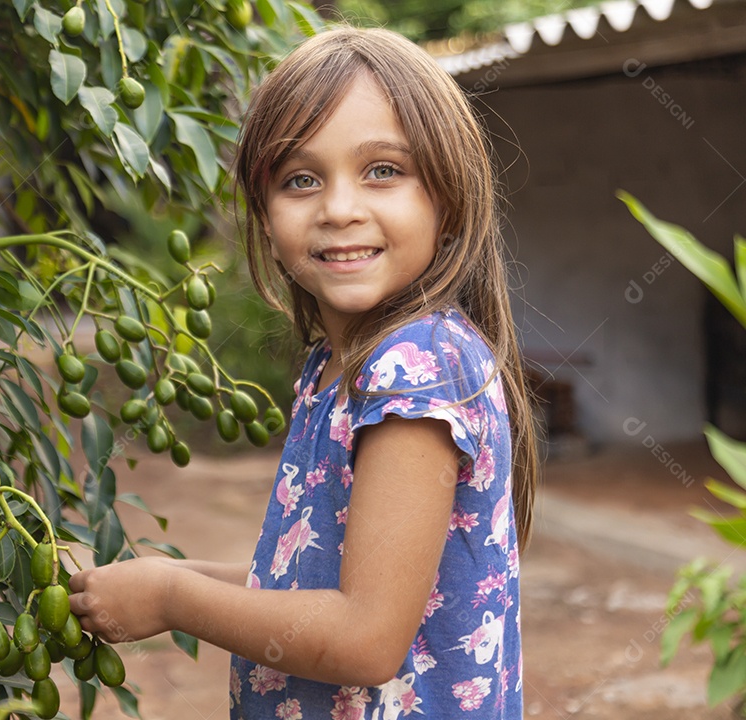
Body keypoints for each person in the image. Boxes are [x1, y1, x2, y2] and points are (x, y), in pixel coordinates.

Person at [69, 25, 539, 720]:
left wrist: (171, 598)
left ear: (449, 197)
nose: (339, 209)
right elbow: (301, 582)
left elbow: (366, 640)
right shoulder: (338, 367)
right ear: (264, 214)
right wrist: (162, 578)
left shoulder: (414, 371)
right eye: (300, 179)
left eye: (383, 170)